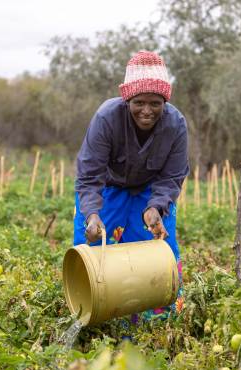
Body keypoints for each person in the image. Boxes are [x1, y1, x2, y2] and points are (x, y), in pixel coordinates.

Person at [74, 50, 189, 321]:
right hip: (109, 188)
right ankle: (91, 313)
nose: (147, 111)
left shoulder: (176, 125)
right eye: (139, 102)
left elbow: (172, 176)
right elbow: (90, 175)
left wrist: (156, 208)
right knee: (91, 247)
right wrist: (91, 214)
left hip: (150, 191)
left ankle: (155, 321)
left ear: (165, 101)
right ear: (127, 100)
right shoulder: (106, 118)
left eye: (155, 103)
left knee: (158, 253)